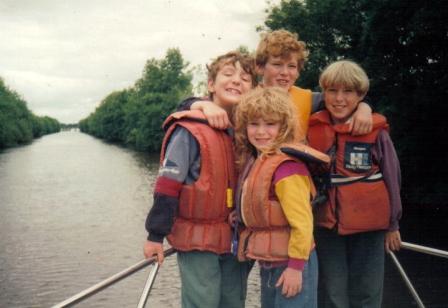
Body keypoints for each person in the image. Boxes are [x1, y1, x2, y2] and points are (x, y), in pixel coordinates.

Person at [143, 51, 257, 308]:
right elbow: (167, 186)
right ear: (210, 85)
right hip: (198, 240)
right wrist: (154, 236)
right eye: (228, 75)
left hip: (235, 239)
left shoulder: (253, 130)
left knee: (233, 302)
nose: (237, 81)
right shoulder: (189, 130)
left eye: (245, 78)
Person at [307, 60, 402, 308]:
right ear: (323, 93)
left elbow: (393, 178)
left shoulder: (376, 132)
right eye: (332, 91)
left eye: (348, 92)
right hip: (326, 226)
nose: (339, 99)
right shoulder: (311, 127)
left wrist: (393, 224)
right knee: (332, 292)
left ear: (360, 95)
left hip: (369, 227)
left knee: (367, 293)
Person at [233, 87, 329, 308]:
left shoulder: (287, 168)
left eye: (270, 124)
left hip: (293, 263)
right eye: (254, 124)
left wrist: (295, 268)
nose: (261, 132)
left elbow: (303, 224)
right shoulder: (259, 160)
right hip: (269, 262)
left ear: (283, 127)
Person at [182, 29, 373, 138]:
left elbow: (343, 101)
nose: (284, 72)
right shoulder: (246, 97)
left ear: (298, 71)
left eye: (291, 66)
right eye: (277, 64)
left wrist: (365, 107)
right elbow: (185, 105)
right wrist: (205, 105)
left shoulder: (309, 99)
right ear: (259, 67)